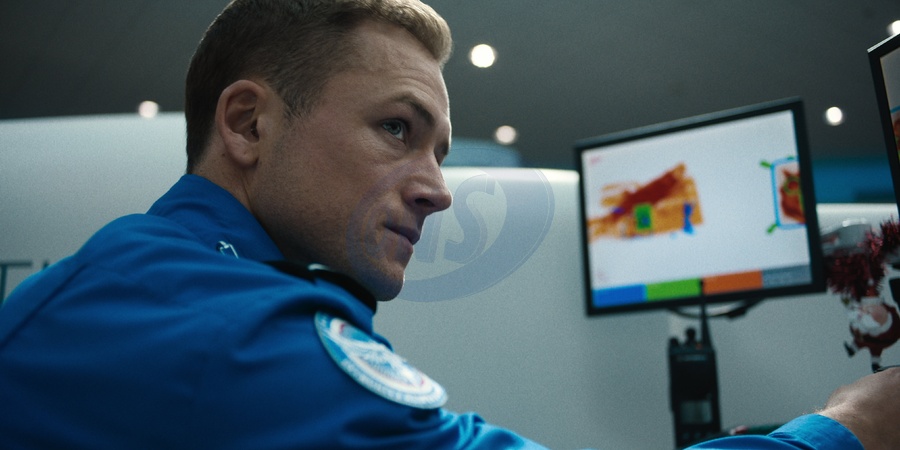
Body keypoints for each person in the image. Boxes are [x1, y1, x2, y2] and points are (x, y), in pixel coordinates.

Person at [0, 1, 898, 449]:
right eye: (398, 129)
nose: (437, 190)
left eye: (438, 149)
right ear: (247, 124)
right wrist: (849, 427)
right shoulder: (233, 335)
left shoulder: (129, 280)